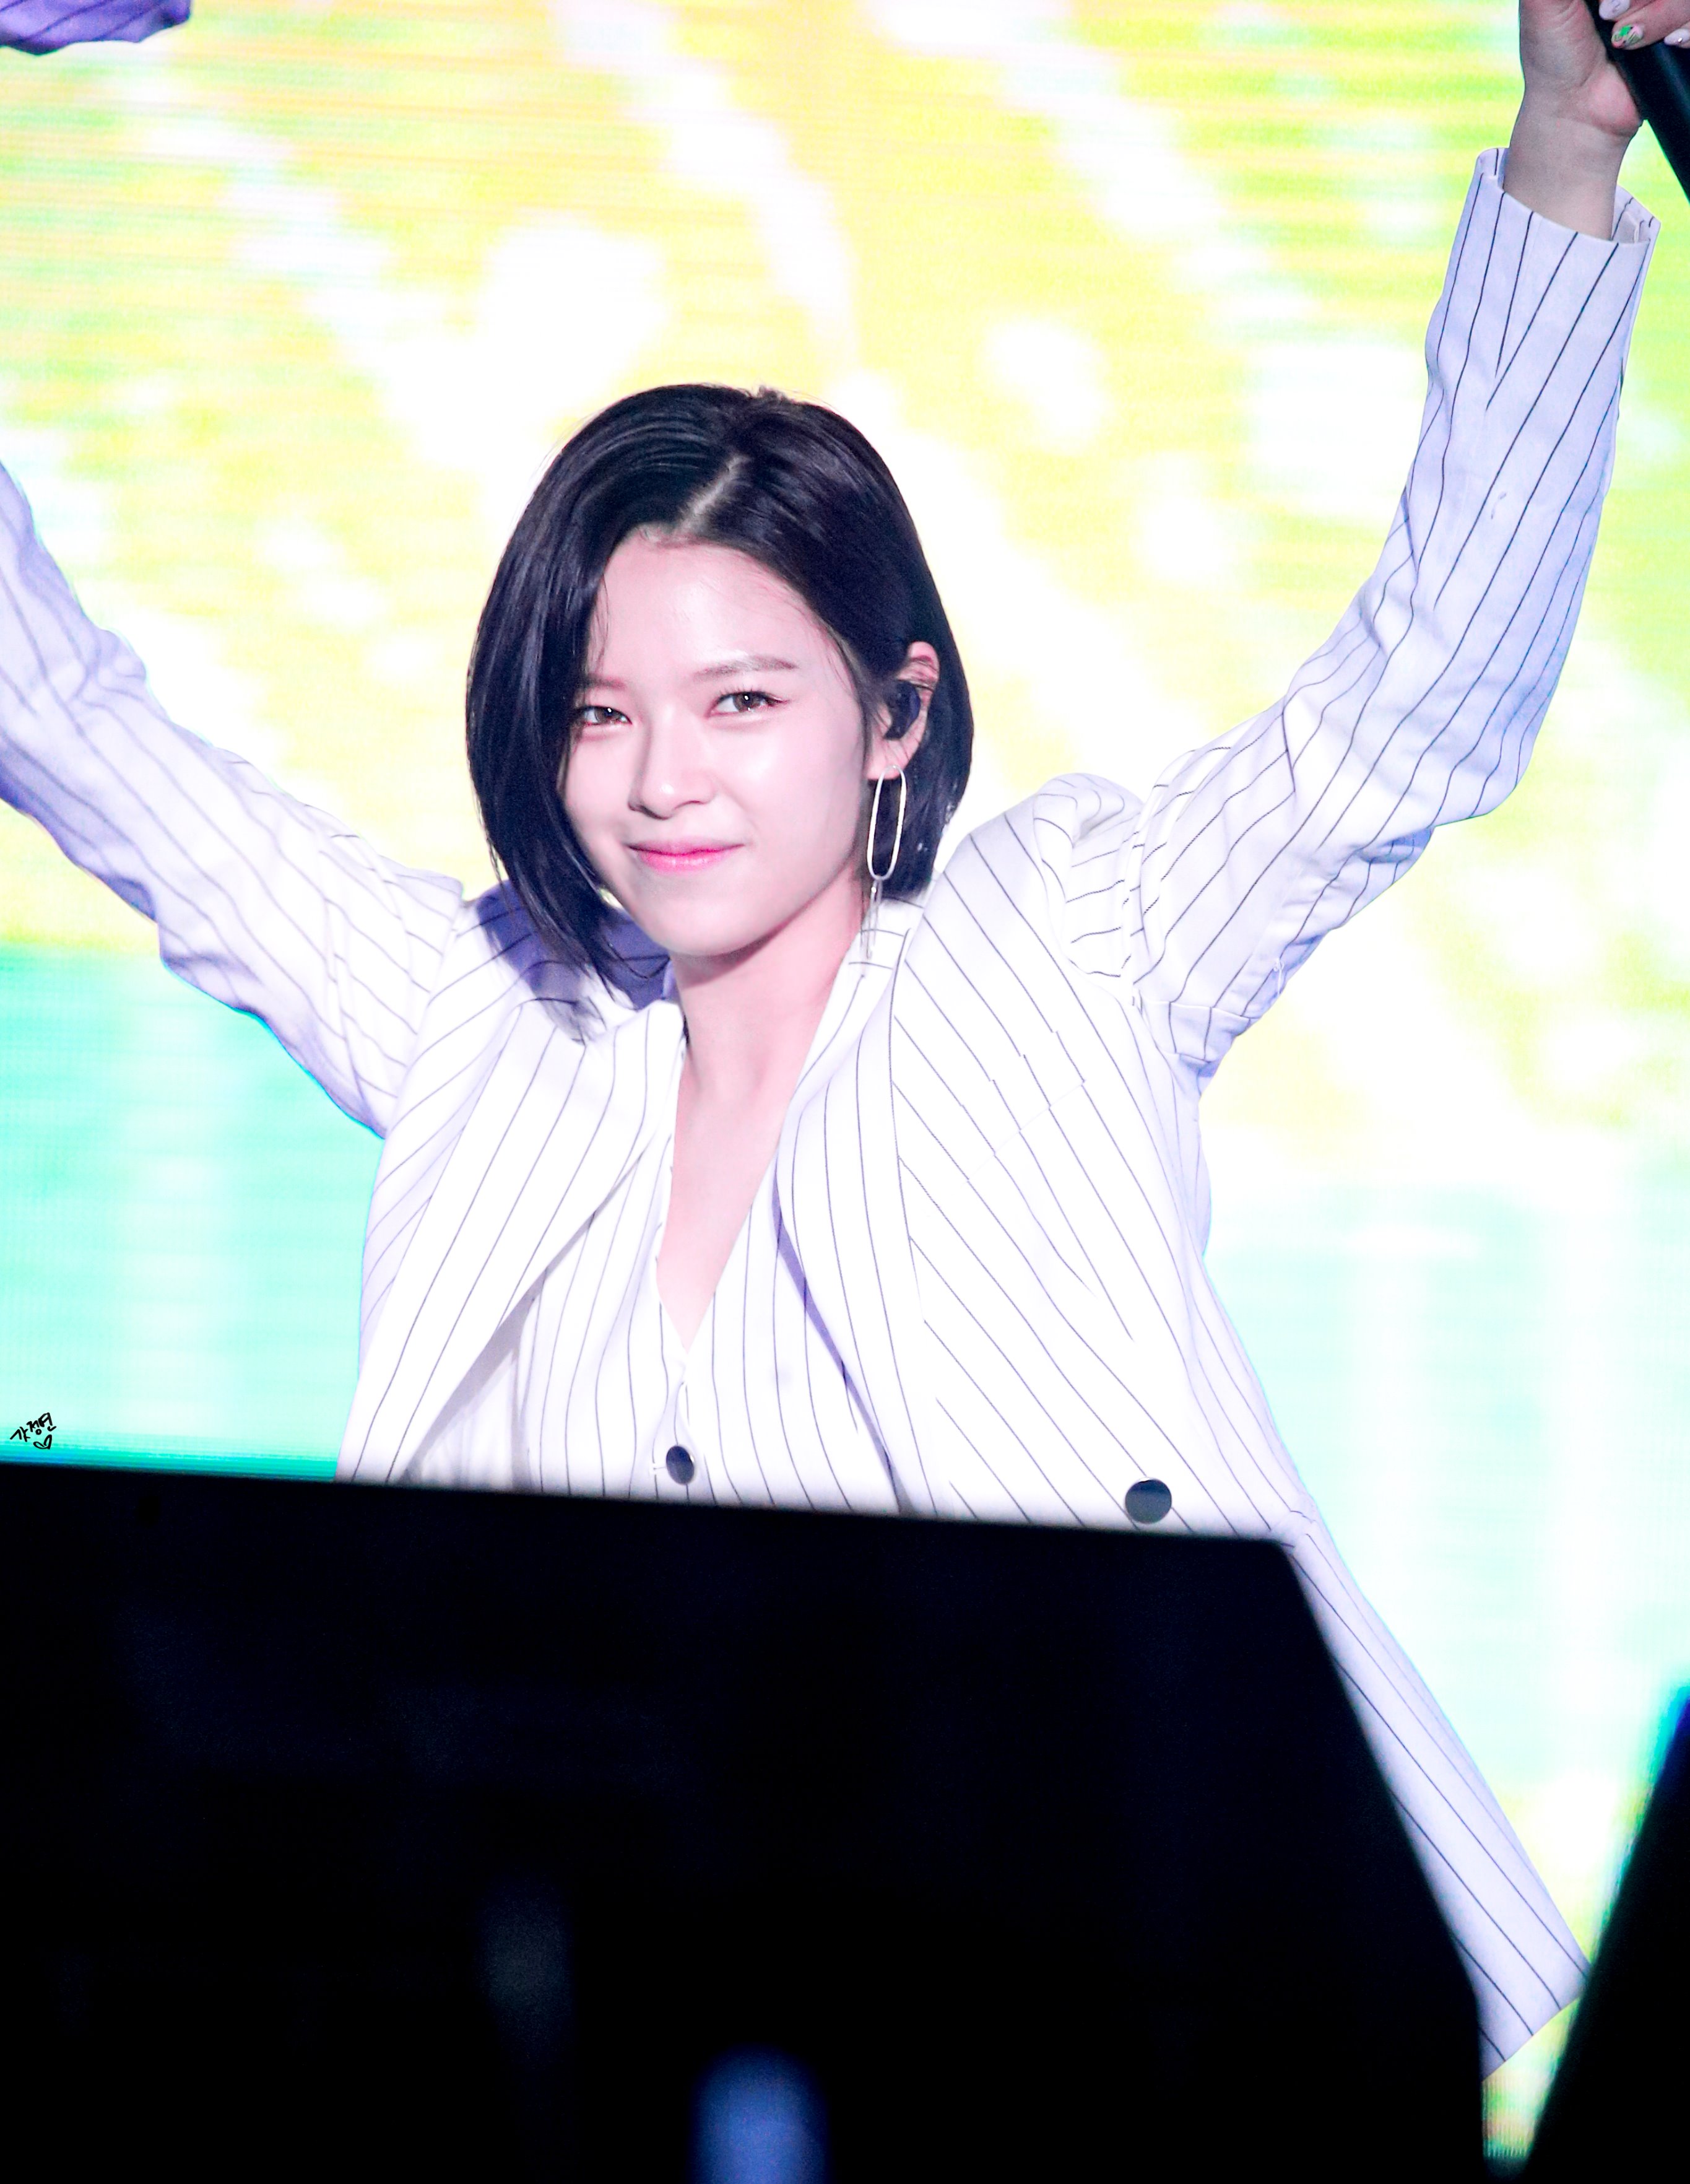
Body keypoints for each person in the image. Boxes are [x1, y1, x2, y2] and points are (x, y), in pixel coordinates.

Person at [0, 0, 1673, 2069]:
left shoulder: (1066, 939)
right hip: (649, 2082)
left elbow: (1417, 697)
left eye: (740, 703)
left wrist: (1565, 144)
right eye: (597, 712)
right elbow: (65, 720)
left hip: (1151, 2013)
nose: (660, 782)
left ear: (892, 712)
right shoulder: (478, 1022)